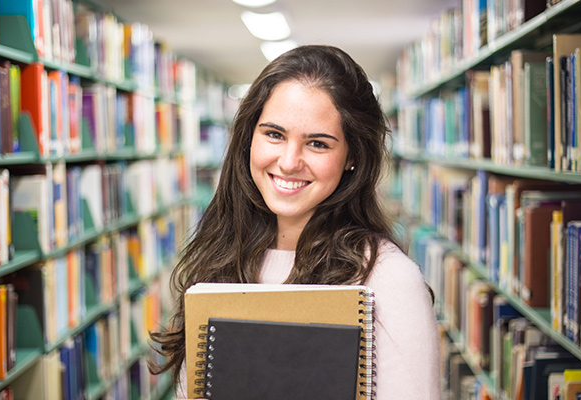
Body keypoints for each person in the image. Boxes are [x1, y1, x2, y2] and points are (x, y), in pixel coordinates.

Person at [150, 45, 440, 399]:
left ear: (352, 157)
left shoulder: (389, 280)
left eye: (317, 143)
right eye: (274, 134)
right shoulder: (219, 257)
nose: (289, 162)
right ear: (248, 139)